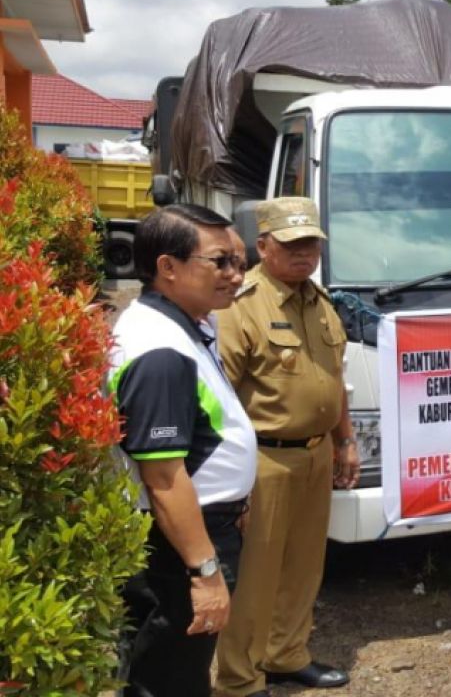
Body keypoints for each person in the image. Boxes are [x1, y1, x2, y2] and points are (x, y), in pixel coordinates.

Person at [109, 204, 257, 697]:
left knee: (183, 667)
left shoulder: (185, 324)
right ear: (168, 267)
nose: (237, 275)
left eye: (240, 260)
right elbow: (164, 477)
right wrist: (206, 572)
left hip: (199, 528)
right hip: (177, 547)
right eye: (220, 262)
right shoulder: (160, 351)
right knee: (170, 674)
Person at [214, 197, 357, 696]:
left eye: (311, 244)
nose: (304, 254)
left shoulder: (319, 302)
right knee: (255, 576)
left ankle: (286, 655)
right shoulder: (241, 306)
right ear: (263, 246)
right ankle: (239, 679)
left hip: (316, 454)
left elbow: (333, 379)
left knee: (302, 566)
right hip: (264, 460)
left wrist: (346, 441)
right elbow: (220, 398)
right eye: (292, 244)